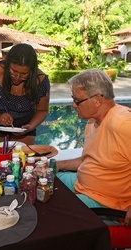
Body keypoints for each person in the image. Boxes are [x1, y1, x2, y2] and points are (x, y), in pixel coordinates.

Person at [56, 69, 131, 226]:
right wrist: (57, 165)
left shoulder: (121, 123)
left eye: (77, 100)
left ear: (97, 100)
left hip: (106, 202)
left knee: (53, 212)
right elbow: (90, 158)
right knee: (45, 180)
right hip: (84, 184)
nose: (73, 105)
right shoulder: (93, 121)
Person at [0, 43, 50, 145]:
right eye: (13, 71)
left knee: (24, 158)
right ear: (8, 63)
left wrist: (31, 126)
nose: (17, 77)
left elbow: (42, 110)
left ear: (32, 71)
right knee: (0, 157)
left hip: (25, 128)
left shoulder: (40, 80)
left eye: (24, 74)